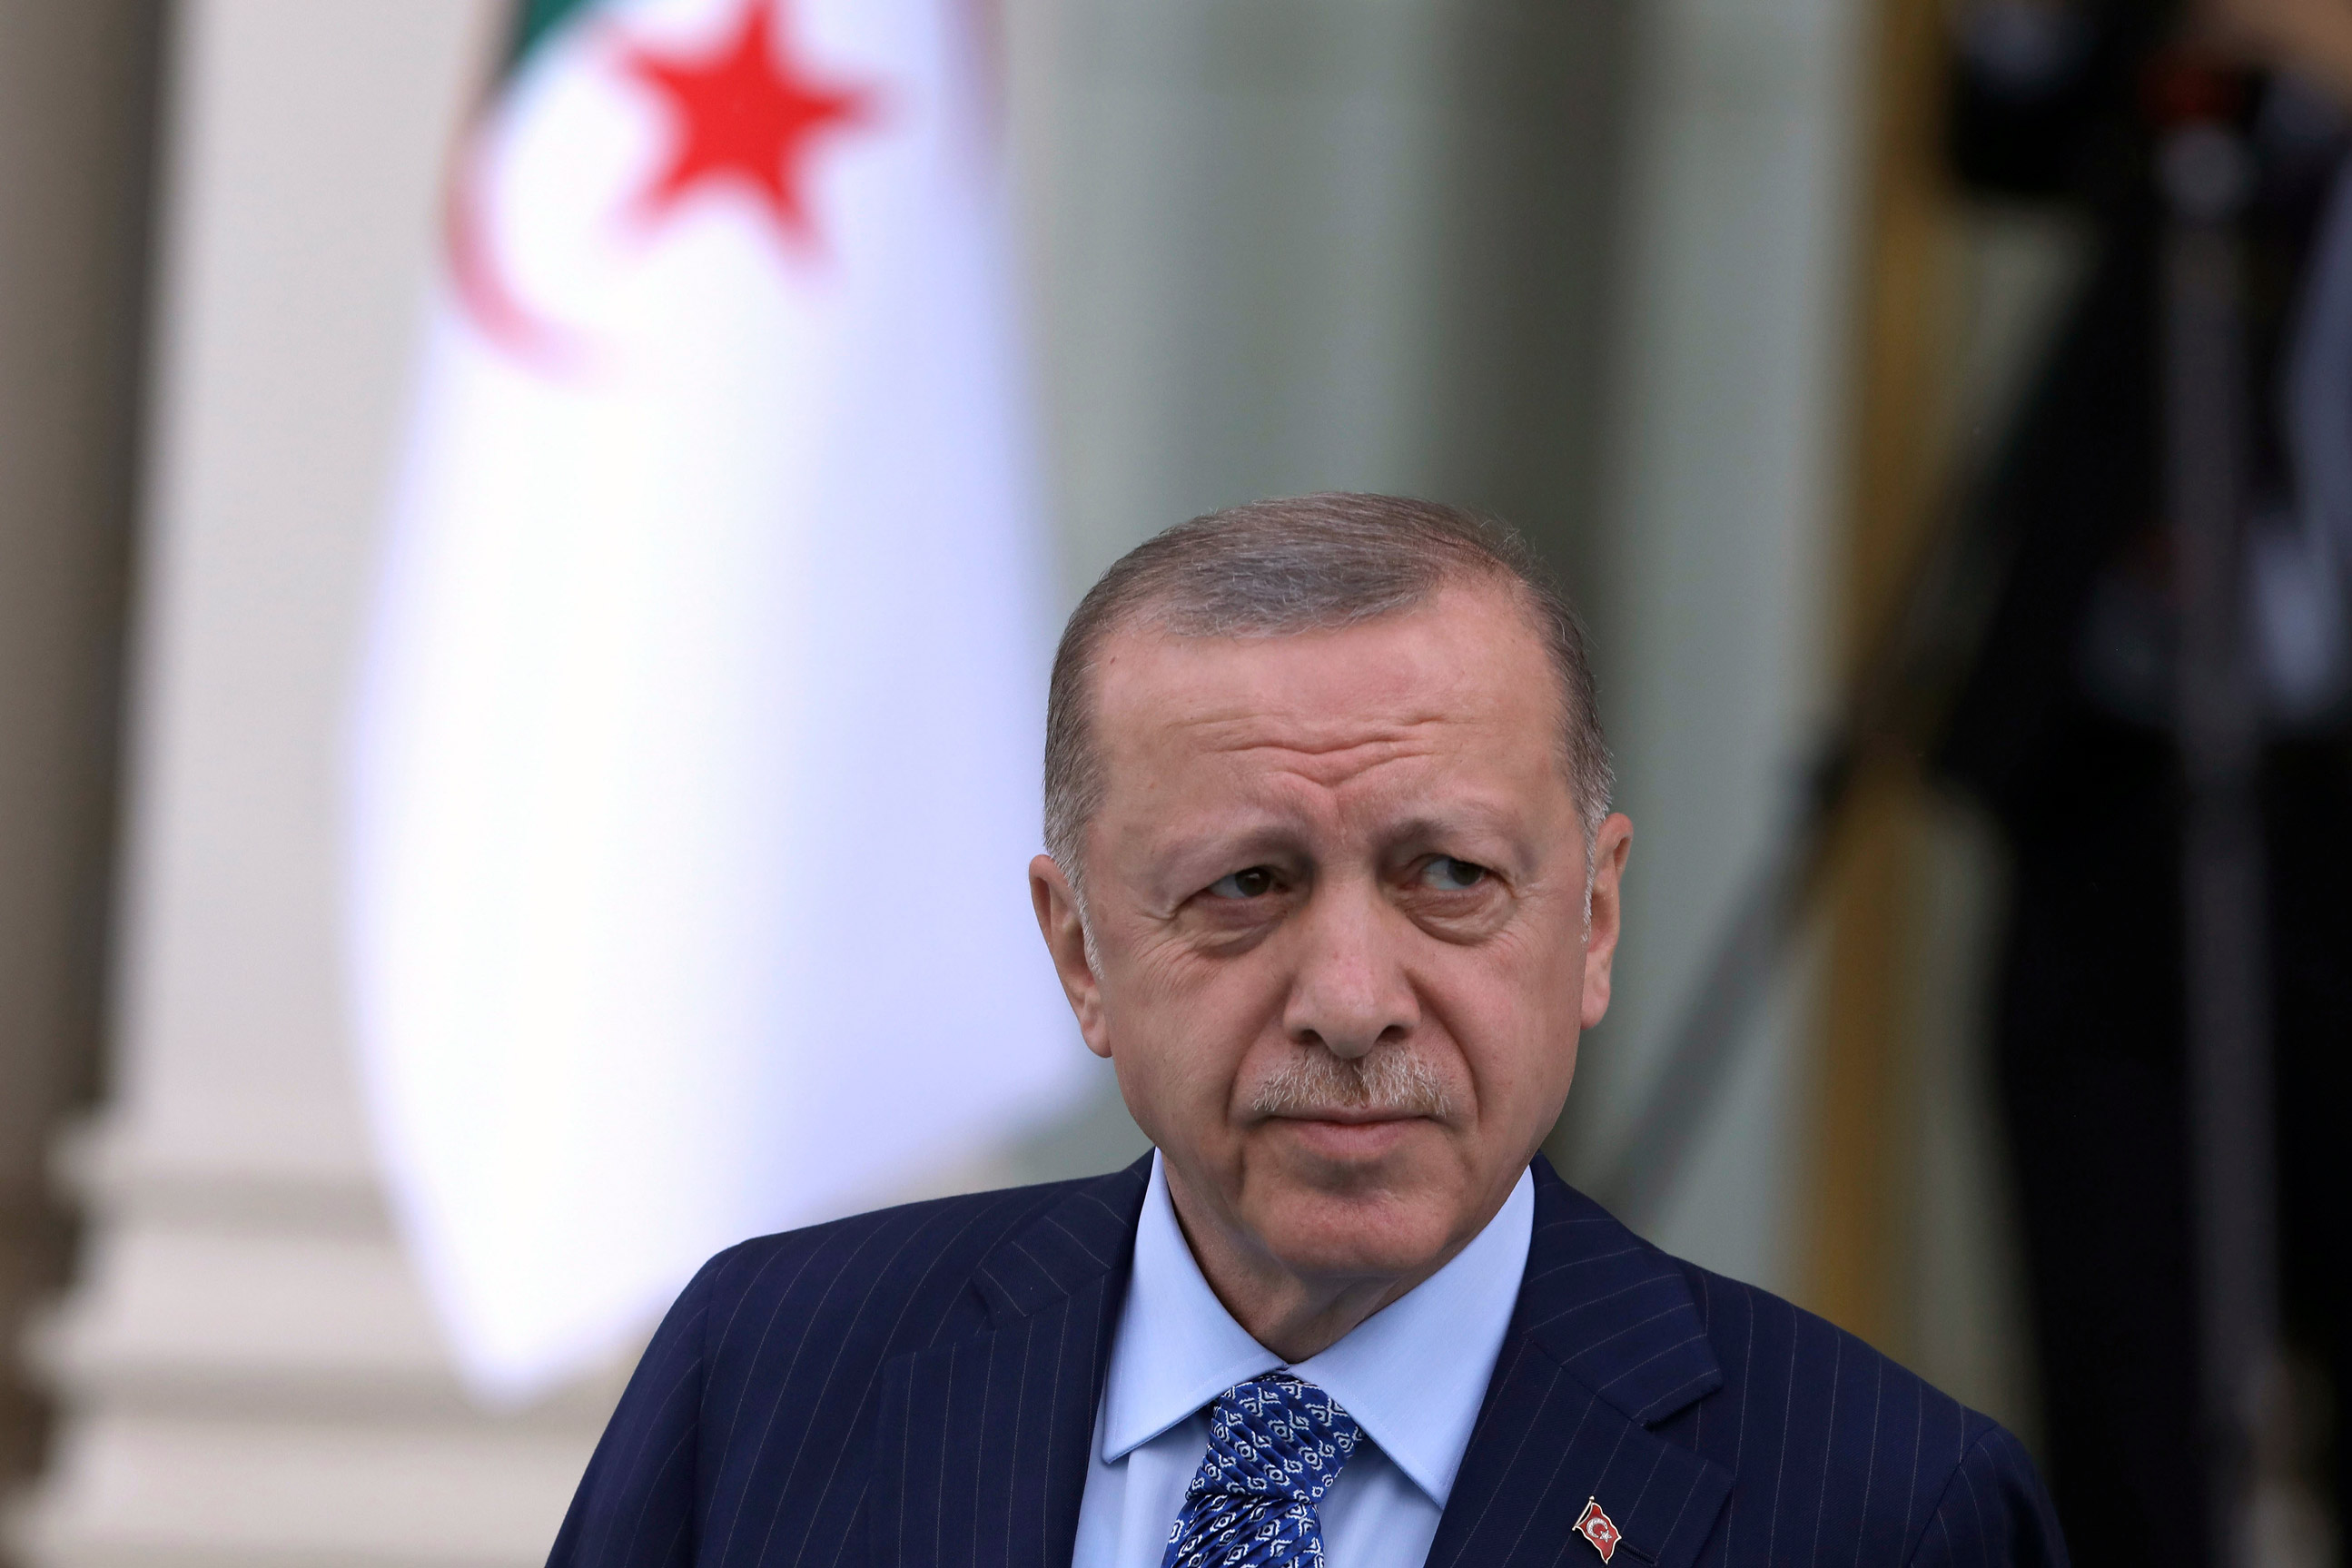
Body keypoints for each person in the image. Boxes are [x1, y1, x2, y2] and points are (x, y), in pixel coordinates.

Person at [545, 494, 2067, 1568]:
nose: (1348, 999)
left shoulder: (1881, 1508)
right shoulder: (767, 1377)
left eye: (1448, 878)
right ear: (1079, 950)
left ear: (1591, 922)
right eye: (1245, 886)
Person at [1944, 2, 2352, 1558]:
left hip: (2323, 814)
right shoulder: (2200, 114)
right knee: (2118, 1366)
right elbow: (2003, 121)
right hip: (2121, 778)